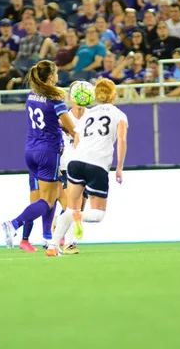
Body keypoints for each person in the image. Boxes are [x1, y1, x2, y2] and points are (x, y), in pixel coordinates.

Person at [46, 78, 128, 256]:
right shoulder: (120, 115)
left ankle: (53, 246)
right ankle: (76, 218)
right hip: (97, 164)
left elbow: (77, 138)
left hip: (76, 162)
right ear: (114, 95)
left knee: (70, 207)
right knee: (96, 215)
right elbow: (121, 140)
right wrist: (119, 167)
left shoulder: (88, 115)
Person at [1, 60, 76, 249]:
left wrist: (60, 127)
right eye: (56, 73)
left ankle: (47, 237)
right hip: (48, 152)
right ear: (51, 77)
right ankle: (14, 224)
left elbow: (47, 121)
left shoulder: (32, 95)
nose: (58, 76)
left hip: (31, 150)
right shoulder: (55, 100)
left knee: (51, 193)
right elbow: (71, 126)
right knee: (48, 201)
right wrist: (71, 132)